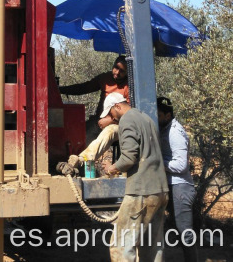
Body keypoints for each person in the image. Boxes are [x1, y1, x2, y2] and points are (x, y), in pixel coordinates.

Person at [102, 93, 169, 261]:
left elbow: (128, 158)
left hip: (141, 192)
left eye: (111, 113)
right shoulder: (147, 119)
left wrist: (112, 168)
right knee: (152, 246)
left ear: (117, 106)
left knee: (121, 243)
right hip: (160, 190)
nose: (112, 118)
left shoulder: (127, 120)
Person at [56, 56, 130, 175]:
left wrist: (110, 120)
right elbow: (84, 88)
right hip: (99, 121)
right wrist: (60, 89)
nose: (117, 73)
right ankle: (75, 169)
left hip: (119, 124)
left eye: (122, 71)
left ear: (127, 72)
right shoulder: (105, 78)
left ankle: (80, 162)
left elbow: (128, 112)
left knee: (109, 131)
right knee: (81, 135)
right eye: (116, 68)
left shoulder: (129, 85)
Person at [157, 96, 198, 262]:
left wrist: (158, 162)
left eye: (158, 115)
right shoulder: (165, 129)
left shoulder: (175, 132)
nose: (156, 118)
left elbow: (181, 165)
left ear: (168, 116)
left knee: (185, 234)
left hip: (180, 187)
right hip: (172, 185)